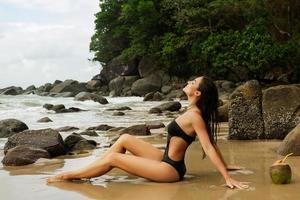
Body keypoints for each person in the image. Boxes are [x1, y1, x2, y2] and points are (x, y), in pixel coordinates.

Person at [47, 76, 249, 189]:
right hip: (165, 161)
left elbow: (207, 145)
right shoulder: (193, 112)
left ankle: (69, 176)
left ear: (197, 93)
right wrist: (226, 165)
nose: (189, 81)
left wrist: (226, 177)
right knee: (125, 138)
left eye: (193, 82)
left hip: (170, 171)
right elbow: (212, 143)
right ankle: (90, 171)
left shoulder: (195, 116)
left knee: (115, 159)